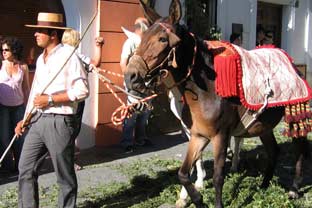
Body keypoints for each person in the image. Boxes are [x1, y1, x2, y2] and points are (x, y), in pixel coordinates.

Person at [15, 12, 89, 208]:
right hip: (38, 121)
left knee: (64, 175)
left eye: (40, 31)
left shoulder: (69, 56)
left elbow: (82, 91)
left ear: (53, 34)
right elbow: (34, 94)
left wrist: (50, 99)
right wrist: (25, 119)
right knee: (25, 167)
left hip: (61, 121)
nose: (35, 34)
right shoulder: (40, 59)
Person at [62, 28, 104, 170]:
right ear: (76, 40)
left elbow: (93, 64)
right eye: (78, 38)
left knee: (66, 130)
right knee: (72, 130)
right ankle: (68, 163)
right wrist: (99, 47)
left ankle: (66, 161)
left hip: (61, 98)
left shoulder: (58, 54)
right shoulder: (74, 55)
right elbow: (95, 63)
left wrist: (98, 46)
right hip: (74, 98)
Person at [119, 17, 152, 153]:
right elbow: (123, 62)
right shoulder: (130, 42)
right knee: (131, 114)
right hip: (134, 84)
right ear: (140, 28)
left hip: (147, 84)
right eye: (147, 25)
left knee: (145, 113)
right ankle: (127, 142)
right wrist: (129, 81)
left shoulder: (148, 43)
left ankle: (140, 139)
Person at [0, 37, 30, 173]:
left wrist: (29, 109)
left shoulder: (23, 67)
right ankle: (7, 167)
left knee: (19, 139)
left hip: (19, 107)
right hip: (3, 107)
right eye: (2, 50)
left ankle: (19, 166)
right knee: (4, 138)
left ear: (14, 50)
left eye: (7, 50)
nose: (4, 52)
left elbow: (26, 89)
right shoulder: (0, 65)